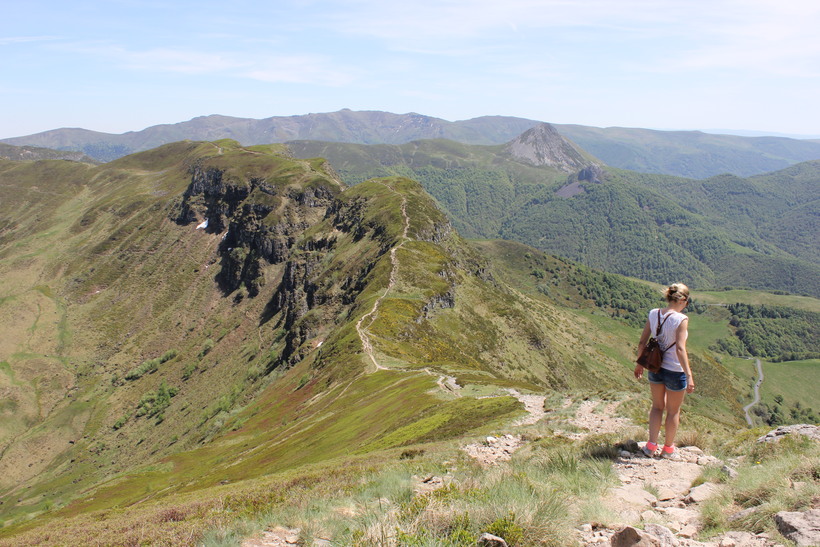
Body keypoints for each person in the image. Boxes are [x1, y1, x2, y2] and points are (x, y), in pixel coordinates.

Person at [634, 283, 695, 459]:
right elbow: (680, 349)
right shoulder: (681, 319)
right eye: (687, 302)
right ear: (683, 300)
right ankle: (668, 449)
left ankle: (650, 447)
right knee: (673, 411)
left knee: (657, 407)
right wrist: (689, 375)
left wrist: (639, 364)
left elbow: (642, 342)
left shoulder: (654, 313)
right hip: (675, 370)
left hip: (655, 367)